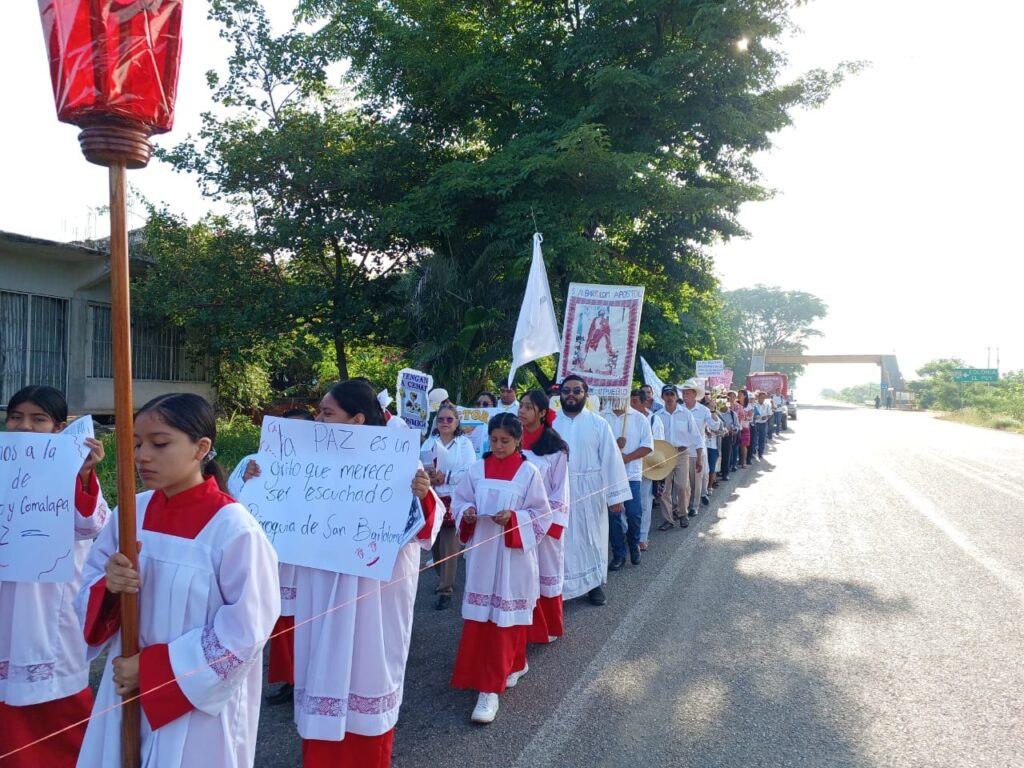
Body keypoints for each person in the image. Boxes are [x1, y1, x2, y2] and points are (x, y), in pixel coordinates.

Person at [75, 393, 280, 767]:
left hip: (196, 704)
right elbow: (86, 589)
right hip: (124, 689)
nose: (141, 456)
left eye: (160, 443)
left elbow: (247, 629)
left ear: (201, 448)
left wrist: (152, 671)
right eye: (137, 443)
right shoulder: (130, 514)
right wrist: (109, 586)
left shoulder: (234, 529)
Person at [287, 380, 440, 767]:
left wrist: (420, 495)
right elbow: (278, 514)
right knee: (320, 670)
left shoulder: (397, 460)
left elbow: (428, 526)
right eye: (318, 413)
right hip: (322, 587)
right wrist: (254, 476)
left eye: (327, 414)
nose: (318, 421)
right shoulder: (307, 458)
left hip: (375, 592)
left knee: (367, 677)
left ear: (356, 419)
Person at [0, 386, 109, 768]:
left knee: (55, 700)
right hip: (4, 597)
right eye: (16, 417)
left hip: (47, 603)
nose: (25, 426)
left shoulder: (72, 471)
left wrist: (82, 476)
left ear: (60, 427)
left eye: (38, 419)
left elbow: (91, 525)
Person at [450, 413, 552, 724]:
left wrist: (515, 518)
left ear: (519, 440)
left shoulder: (529, 472)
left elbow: (542, 514)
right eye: (493, 440)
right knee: (484, 616)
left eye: (505, 441)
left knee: (505, 617)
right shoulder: (477, 468)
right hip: (482, 554)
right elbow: (460, 499)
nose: (497, 446)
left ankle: (489, 689)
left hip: (513, 556)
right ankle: (512, 663)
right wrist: (466, 512)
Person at [227, 407, 314, 707]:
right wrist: (247, 480)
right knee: (279, 621)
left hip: (309, 560)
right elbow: (233, 502)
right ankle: (290, 679)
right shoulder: (255, 462)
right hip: (273, 558)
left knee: (311, 621)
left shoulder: (323, 464)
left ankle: (311, 679)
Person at [553, 375, 631, 606]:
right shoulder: (552, 424)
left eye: (577, 391)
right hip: (560, 491)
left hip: (591, 490)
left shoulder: (598, 423)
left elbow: (611, 460)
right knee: (563, 540)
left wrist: (615, 495)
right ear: (560, 395)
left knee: (592, 536)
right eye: (567, 390)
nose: (571, 395)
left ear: (586, 394)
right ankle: (561, 587)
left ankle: (594, 585)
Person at [518, 390, 570, 644]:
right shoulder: (510, 441)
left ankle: (547, 627)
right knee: (521, 576)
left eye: (528, 406)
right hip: (516, 522)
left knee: (545, 572)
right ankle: (523, 627)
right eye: (521, 405)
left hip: (545, 522)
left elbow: (560, 490)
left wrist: (542, 520)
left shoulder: (556, 448)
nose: (522, 410)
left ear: (541, 412)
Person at [422, 403, 477, 610]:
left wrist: (447, 477)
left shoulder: (464, 444)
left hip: (454, 499)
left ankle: (446, 588)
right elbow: (420, 465)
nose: (445, 423)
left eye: (449, 419)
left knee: (450, 546)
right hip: (434, 497)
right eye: (441, 419)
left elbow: (470, 469)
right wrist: (428, 476)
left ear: (457, 422)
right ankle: (441, 577)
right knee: (434, 546)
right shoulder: (429, 442)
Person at [602, 397, 654, 568]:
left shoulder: (640, 418)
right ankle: (618, 554)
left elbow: (648, 446)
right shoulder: (602, 417)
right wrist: (616, 448)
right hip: (610, 476)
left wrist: (627, 457)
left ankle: (634, 543)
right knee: (613, 515)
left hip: (631, 475)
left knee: (633, 513)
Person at [654, 384, 698, 530]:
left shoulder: (685, 414)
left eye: (672, 394)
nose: (669, 397)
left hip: (681, 453)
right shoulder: (657, 416)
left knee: (682, 485)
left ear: (677, 396)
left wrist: (699, 455)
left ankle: (683, 513)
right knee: (664, 489)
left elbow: (695, 434)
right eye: (666, 394)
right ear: (662, 397)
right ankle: (668, 519)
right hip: (664, 455)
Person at [630, 388, 664, 551]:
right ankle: (627, 532)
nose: (631, 404)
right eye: (630, 400)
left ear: (645, 403)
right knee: (623, 502)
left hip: (647, 466)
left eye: (635, 401)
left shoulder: (653, 420)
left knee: (644, 501)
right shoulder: (626, 419)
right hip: (627, 466)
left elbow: (658, 445)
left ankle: (642, 537)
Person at [679, 379, 710, 515]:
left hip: (697, 451)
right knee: (683, 483)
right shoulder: (679, 410)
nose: (685, 395)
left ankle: (694, 506)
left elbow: (713, 425)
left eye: (688, 392)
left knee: (696, 481)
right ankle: (682, 506)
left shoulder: (704, 410)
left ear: (694, 394)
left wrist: (714, 411)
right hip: (681, 451)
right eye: (684, 392)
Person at [737, 390, 754, 468]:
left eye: (740, 394)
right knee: (736, 445)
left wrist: (744, 417)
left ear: (745, 396)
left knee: (744, 445)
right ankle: (736, 461)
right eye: (738, 394)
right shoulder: (735, 404)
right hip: (736, 427)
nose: (739, 396)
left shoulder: (749, 406)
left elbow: (750, 418)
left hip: (745, 427)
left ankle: (744, 462)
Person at [753, 391, 771, 460]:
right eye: (761, 397)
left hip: (763, 423)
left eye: (764, 397)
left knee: (762, 439)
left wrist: (766, 417)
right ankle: (754, 452)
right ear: (758, 397)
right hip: (755, 423)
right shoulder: (754, 405)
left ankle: (760, 453)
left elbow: (769, 414)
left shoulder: (767, 405)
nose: (762, 399)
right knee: (754, 439)